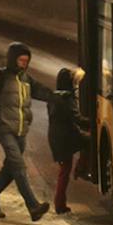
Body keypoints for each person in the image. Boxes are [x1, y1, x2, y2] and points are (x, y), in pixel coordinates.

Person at [0, 42, 46, 221]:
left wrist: (58, 97)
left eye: (26, 61)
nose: (23, 64)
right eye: (20, 60)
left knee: (10, 167)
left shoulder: (25, 79)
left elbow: (40, 91)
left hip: (21, 130)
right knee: (19, 167)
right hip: (4, 127)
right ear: (12, 59)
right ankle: (33, 206)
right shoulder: (0, 76)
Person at [45, 67, 92, 215]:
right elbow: (77, 118)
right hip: (67, 137)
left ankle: (61, 202)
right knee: (65, 171)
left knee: (64, 170)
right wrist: (92, 122)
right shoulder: (67, 98)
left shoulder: (53, 97)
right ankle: (60, 204)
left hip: (55, 137)